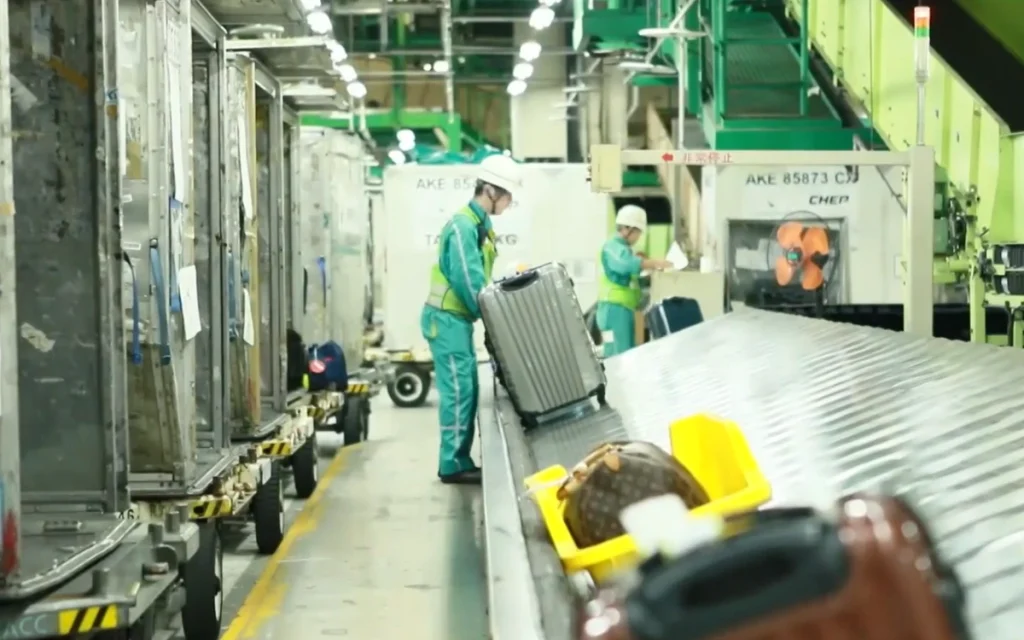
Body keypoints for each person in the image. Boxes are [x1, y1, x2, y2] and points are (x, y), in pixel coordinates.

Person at [421, 154, 523, 485]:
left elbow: (480, 278)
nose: (509, 203)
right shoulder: (463, 226)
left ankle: (459, 458)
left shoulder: (481, 226)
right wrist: (492, 315)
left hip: (457, 321)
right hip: (445, 320)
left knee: (467, 386)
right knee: (459, 389)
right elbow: (468, 279)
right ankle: (452, 463)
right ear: (491, 191)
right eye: (507, 196)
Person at [597, 205, 673, 357]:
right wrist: (654, 263)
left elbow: (629, 279)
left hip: (621, 309)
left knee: (622, 354)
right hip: (614, 309)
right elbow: (625, 264)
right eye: (638, 232)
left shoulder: (624, 249)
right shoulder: (612, 247)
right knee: (619, 356)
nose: (638, 237)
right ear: (627, 229)